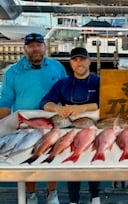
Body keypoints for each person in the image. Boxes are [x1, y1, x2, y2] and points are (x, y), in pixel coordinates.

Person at [0, 33, 67, 204]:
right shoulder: (13, 72)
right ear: (25, 49)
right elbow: (6, 100)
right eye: (31, 46)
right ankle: (31, 196)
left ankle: (52, 193)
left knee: (52, 155)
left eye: (39, 45)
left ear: (45, 47)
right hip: (24, 124)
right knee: (25, 156)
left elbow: (65, 93)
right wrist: (1, 125)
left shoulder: (57, 67)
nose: (35, 48)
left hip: (52, 121)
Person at [40, 47, 101, 204]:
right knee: (72, 160)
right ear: (70, 63)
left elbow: (108, 103)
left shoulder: (99, 81)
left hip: (93, 128)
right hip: (70, 130)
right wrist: (57, 108)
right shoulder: (63, 83)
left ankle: (95, 196)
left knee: (93, 160)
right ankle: (74, 200)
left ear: (90, 61)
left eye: (82, 59)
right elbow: (45, 102)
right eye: (75, 59)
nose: (79, 62)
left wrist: (83, 108)